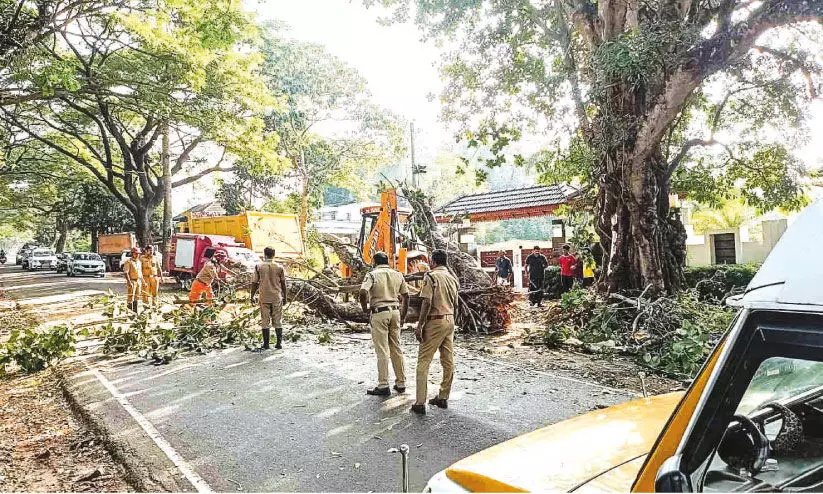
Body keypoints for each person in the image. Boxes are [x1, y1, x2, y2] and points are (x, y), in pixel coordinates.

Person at [412, 249, 459, 415]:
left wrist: (420, 325)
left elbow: (426, 302)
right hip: (449, 320)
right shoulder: (452, 278)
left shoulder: (431, 277)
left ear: (433, 262)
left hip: (434, 321)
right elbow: (456, 304)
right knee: (448, 360)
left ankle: (420, 402)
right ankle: (443, 396)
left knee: (423, 361)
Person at [359, 251, 410, 396]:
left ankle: (383, 384)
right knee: (396, 348)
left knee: (382, 350)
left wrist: (365, 308)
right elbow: (406, 296)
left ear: (374, 262)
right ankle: (401, 382)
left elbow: (362, 292)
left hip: (379, 312)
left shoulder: (372, 274)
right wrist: (403, 315)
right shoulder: (397, 274)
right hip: (395, 312)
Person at [250, 247, 287, 350]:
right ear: (274, 255)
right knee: (278, 320)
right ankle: (278, 343)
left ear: (264, 254)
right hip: (276, 297)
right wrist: (285, 296)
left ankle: (266, 344)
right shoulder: (279, 267)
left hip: (264, 297)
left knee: (265, 321)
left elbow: (254, 283)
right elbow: (283, 283)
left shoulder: (258, 266)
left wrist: (252, 296)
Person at [122, 247, 142, 312]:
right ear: (132, 253)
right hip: (132, 281)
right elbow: (126, 273)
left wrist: (143, 282)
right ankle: (129, 312)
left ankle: (135, 312)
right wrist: (129, 282)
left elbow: (140, 273)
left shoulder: (139, 262)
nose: (137, 255)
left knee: (137, 297)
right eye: (136, 253)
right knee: (130, 298)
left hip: (138, 281)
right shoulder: (128, 262)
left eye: (138, 254)